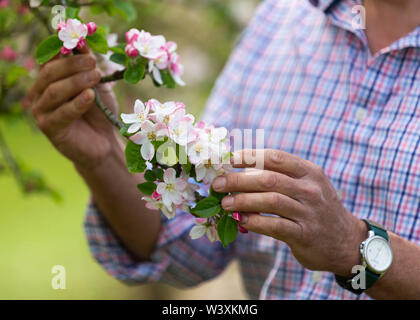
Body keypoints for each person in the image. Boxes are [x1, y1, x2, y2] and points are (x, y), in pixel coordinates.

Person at [28, 0, 420, 299]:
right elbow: (194, 246)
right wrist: (103, 159)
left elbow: (346, 246)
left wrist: (353, 246)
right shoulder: (282, 18)